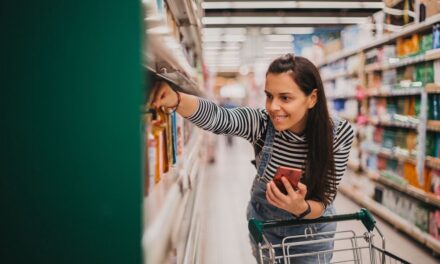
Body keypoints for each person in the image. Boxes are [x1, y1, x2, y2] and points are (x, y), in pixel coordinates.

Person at [152, 54, 354, 263]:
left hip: (312, 230)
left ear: (312, 98)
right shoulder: (261, 123)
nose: (273, 107)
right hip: (267, 224)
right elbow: (219, 118)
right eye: (269, 96)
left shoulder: (338, 134)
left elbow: (324, 198)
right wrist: (177, 99)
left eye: (285, 98)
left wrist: (300, 208)